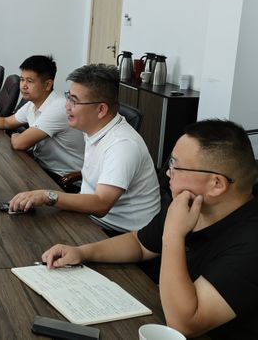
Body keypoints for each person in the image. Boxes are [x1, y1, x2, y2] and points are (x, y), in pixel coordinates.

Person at [42, 120, 258, 338]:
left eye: (176, 166)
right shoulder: (191, 204)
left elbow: (184, 323)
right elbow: (140, 243)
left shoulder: (251, 242)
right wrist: (82, 252)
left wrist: (173, 235)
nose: (168, 173)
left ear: (217, 184)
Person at [9, 64, 159, 234]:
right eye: (68, 97)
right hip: (88, 217)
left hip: (119, 233)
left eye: (74, 101)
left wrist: (47, 196)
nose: (67, 106)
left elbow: (101, 204)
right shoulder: (93, 128)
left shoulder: (123, 145)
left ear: (101, 109)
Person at [0, 55, 85, 178]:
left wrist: (15, 136)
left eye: (30, 81)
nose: (23, 86)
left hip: (62, 178)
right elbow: (5, 122)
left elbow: (19, 144)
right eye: (22, 79)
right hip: (40, 166)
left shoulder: (58, 107)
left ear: (47, 85)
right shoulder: (33, 103)